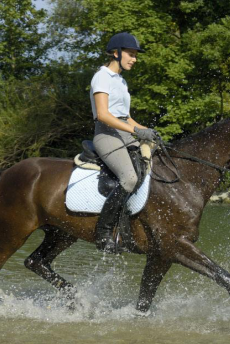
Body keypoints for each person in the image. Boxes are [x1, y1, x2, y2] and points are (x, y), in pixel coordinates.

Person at [90, 32, 157, 253]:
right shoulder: (102, 76)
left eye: (135, 55)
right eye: (131, 54)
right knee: (129, 178)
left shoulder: (120, 80)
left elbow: (125, 116)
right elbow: (103, 114)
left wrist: (147, 131)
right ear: (116, 53)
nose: (134, 59)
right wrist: (136, 130)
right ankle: (103, 234)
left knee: (154, 167)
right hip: (106, 134)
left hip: (124, 132)